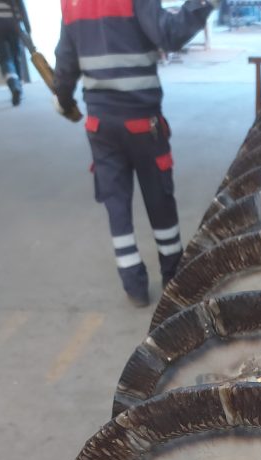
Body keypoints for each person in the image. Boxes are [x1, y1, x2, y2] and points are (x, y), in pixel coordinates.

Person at [53, 0, 214, 308]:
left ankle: (134, 286)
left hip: (101, 126)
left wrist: (62, 97)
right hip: (142, 123)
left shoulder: (72, 3)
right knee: (159, 199)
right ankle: (173, 278)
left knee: (116, 203)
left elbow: (66, 61)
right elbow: (169, 35)